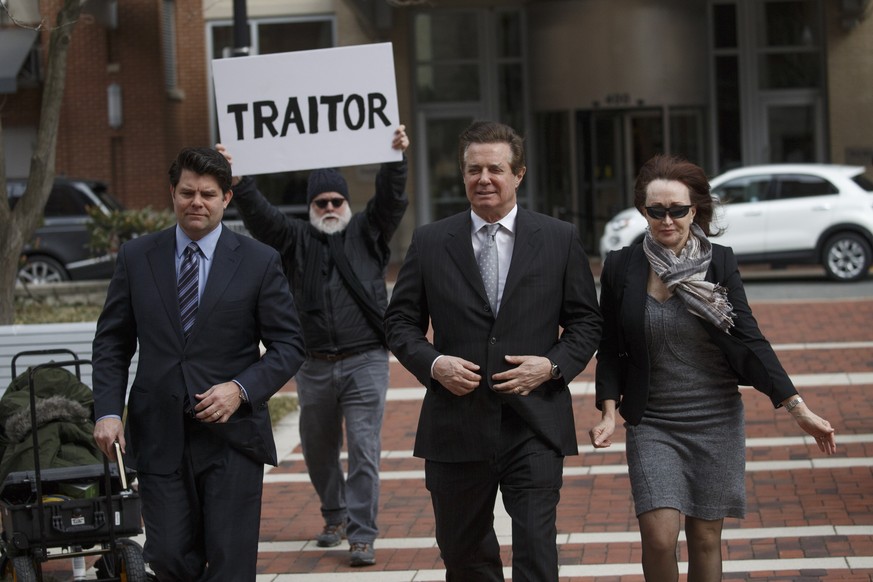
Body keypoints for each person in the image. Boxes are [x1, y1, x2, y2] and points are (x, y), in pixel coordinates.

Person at [589, 154, 837, 581]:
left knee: (705, 538)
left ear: (696, 210)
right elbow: (610, 346)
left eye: (678, 210)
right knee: (661, 538)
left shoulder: (719, 262)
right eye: (656, 211)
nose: (667, 220)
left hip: (715, 419)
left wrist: (798, 408)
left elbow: (749, 339)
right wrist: (609, 412)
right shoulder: (621, 267)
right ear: (643, 211)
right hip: (653, 421)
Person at [384, 120, 602, 581]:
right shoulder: (429, 242)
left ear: (518, 174)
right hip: (456, 424)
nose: (484, 179)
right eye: (473, 169)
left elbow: (587, 321)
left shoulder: (559, 238)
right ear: (462, 175)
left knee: (536, 554)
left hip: (534, 423)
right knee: (465, 558)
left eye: (495, 169)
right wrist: (434, 363)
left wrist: (551, 365)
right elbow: (400, 323)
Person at [92, 147, 305, 581]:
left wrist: (240, 389)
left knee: (229, 562)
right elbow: (113, 342)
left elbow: (289, 345)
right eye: (187, 192)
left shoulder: (258, 261)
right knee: (168, 556)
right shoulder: (137, 258)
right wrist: (109, 412)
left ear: (226, 198)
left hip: (232, 439)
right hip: (158, 436)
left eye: (208, 194)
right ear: (172, 193)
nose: (197, 202)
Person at [216, 125, 409, 567]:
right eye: (320, 202)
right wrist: (238, 179)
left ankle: (361, 535)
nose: (328, 207)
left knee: (363, 450)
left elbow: (391, 199)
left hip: (365, 361)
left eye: (335, 201)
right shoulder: (295, 239)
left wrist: (396, 160)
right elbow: (261, 216)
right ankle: (334, 514)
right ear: (310, 208)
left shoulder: (368, 233)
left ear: (346, 204)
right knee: (318, 449)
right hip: (314, 366)